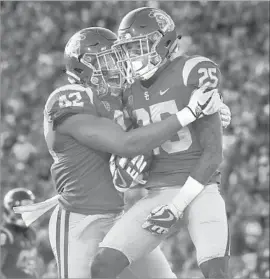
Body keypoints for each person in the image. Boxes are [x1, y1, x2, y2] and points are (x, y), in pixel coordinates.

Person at [40, 27, 221, 279]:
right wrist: (189, 114)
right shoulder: (68, 98)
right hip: (78, 220)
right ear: (84, 67)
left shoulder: (119, 99)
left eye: (118, 58)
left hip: (116, 216)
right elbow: (126, 144)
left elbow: (158, 118)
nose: (117, 66)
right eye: (108, 60)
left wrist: (213, 108)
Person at [90, 7, 230, 279]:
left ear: (162, 42)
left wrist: (177, 207)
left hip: (201, 189)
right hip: (158, 193)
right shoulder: (128, 90)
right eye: (127, 49)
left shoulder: (192, 70)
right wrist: (121, 167)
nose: (131, 56)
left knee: (216, 271)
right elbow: (129, 142)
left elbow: (214, 154)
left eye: (137, 47)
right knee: (103, 265)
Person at [1, 188, 39, 279]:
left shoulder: (31, 232)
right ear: (12, 207)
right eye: (26, 205)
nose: (29, 209)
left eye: (31, 205)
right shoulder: (5, 234)